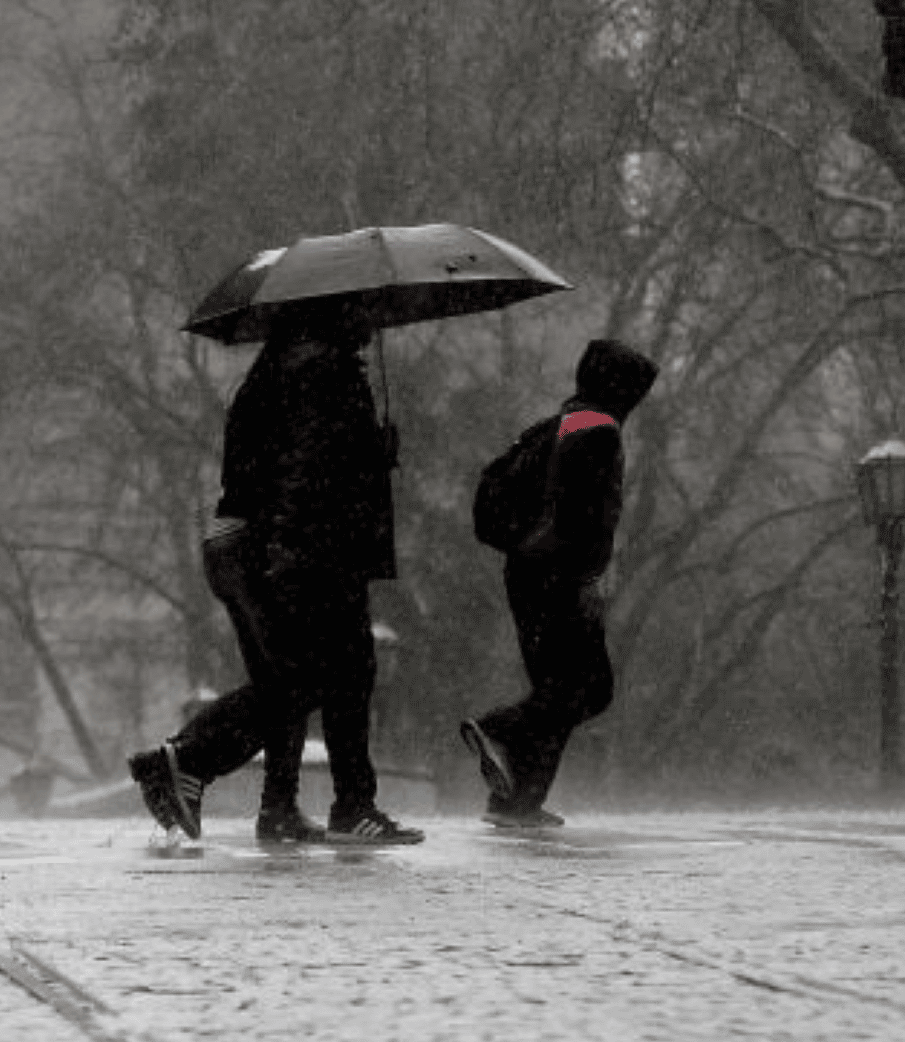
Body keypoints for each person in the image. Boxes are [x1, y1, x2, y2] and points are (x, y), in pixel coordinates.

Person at [128, 300, 423, 846]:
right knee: (324, 676)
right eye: (363, 310)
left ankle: (282, 805)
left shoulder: (285, 367)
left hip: (268, 543)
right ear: (337, 315)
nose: (373, 321)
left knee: (303, 676)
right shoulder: (321, 370)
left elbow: (294, 460)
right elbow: (304, 471)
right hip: (302, 547)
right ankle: (190, 761)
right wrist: (295, 551)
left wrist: (370, 452)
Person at [461, 339, 658, 828]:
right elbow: (581, 517)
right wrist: (584, 581)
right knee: (587, 690)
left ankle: (517, 801)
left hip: (527, 570)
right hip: (559, 575)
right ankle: (498, 730)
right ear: (620, 388)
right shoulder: (599, 432)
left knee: (559, 690)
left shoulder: (559, 423)